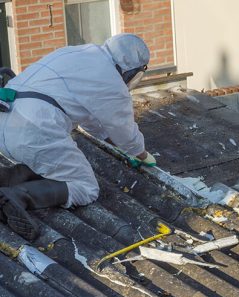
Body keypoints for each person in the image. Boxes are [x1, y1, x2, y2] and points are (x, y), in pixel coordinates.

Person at [0, 33, 156, 241]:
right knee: (85, 187)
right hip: (35, 128)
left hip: (6, 119)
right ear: (132, 70)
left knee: (52, 164)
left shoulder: (76, 52)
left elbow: (94, 122)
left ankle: (8, 178)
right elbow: (123, 129)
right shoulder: (111, 81)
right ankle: (18, 197)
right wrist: (142, 155)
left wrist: (113, 143)